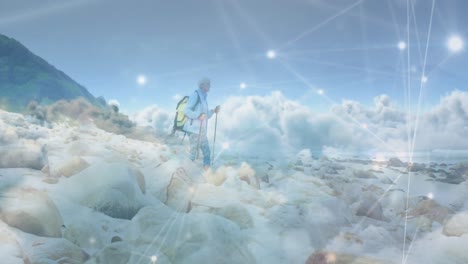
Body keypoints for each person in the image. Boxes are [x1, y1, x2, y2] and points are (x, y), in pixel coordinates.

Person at [183, 78, 220, 170]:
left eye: (209, 84)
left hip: (201, 130)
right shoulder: (196, 95)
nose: (209, 86)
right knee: (193, 152)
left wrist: (213, 111)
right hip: (193, 129)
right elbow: (186, 110)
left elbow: (205, 115)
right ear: (202, 85)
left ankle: (206, 170)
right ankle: (186, 170)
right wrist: (198, 115)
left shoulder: (204, 98)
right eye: (208, 84)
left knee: (206, 151)